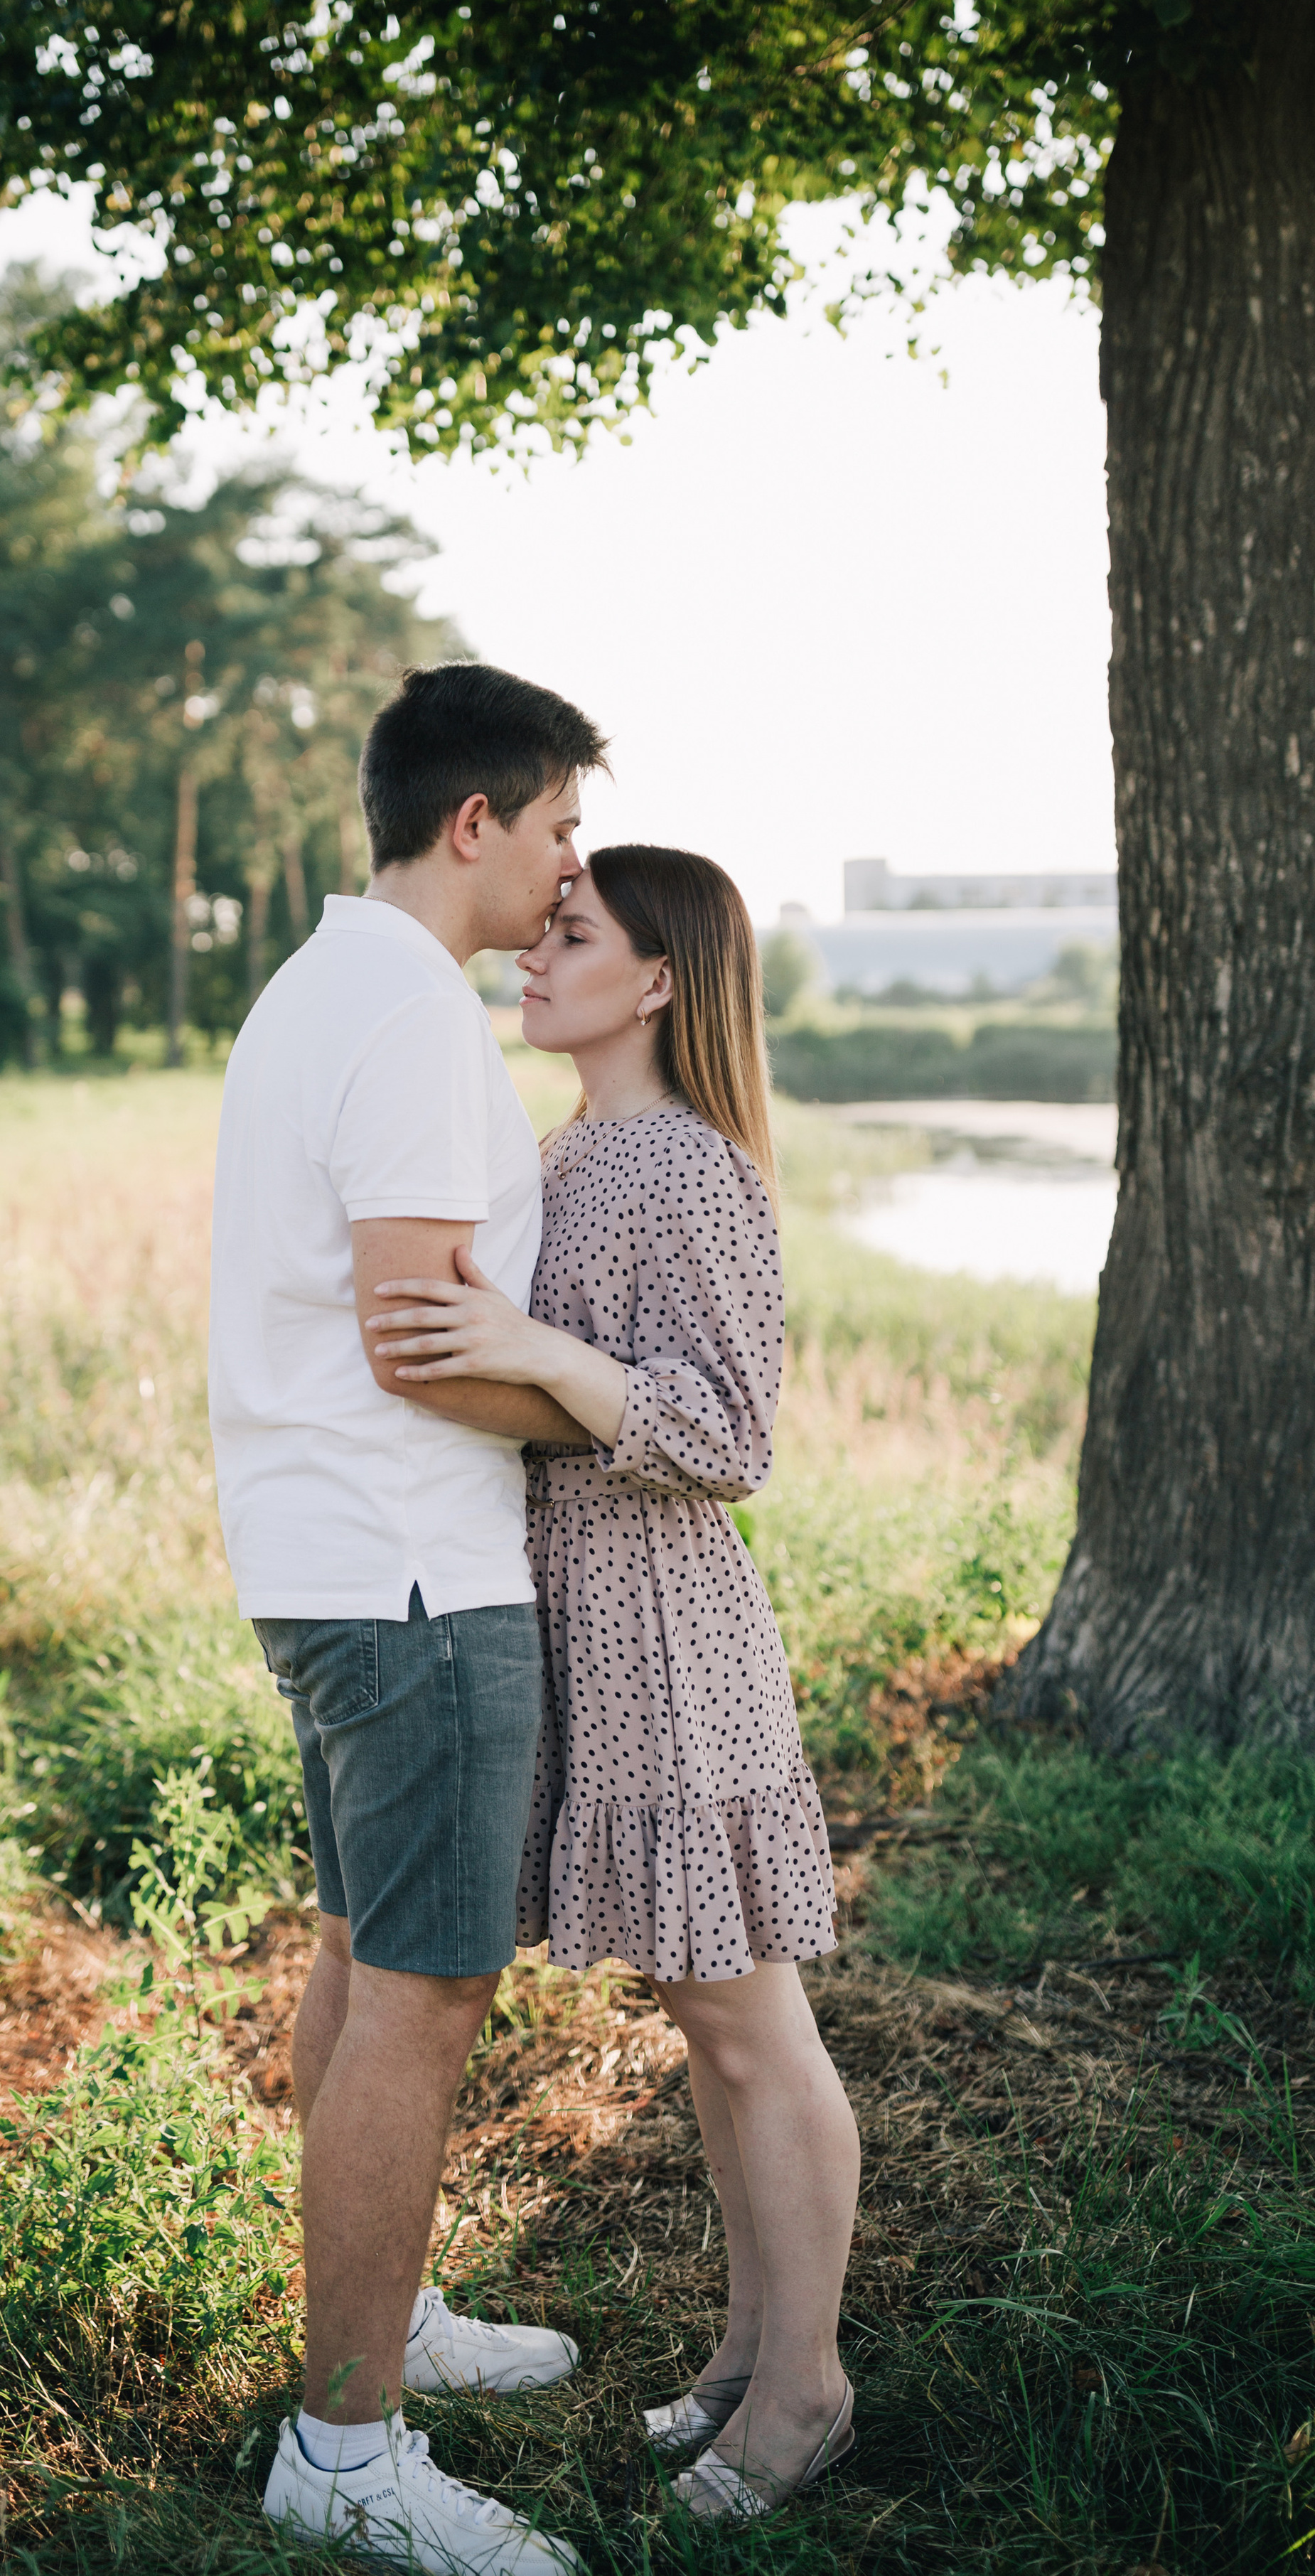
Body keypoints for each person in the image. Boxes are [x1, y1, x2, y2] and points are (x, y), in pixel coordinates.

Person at [365, 844, 862, 2523]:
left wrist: (544, 1357)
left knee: (745, 2025)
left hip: (664, 1626)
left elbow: (730, 1436)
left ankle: (804, 2393)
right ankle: (742, 2353)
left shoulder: (689, 1170)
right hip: (570, 1613)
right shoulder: (569, 1152)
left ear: (654, 981)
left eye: (570, 936)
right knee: (700, 2017)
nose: (532, 953)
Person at [208, 662, 613, 2573]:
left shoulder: (320, 986)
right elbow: (413, 1337)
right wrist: (613, 1417)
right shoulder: (409, 1019)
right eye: (557, 830)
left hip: (333, 1553)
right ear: (478, 823)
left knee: (375, 1959)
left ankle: (391, 2309)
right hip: (413, 1573)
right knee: (427, 1994)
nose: (567, 870)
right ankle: (349, 2451)